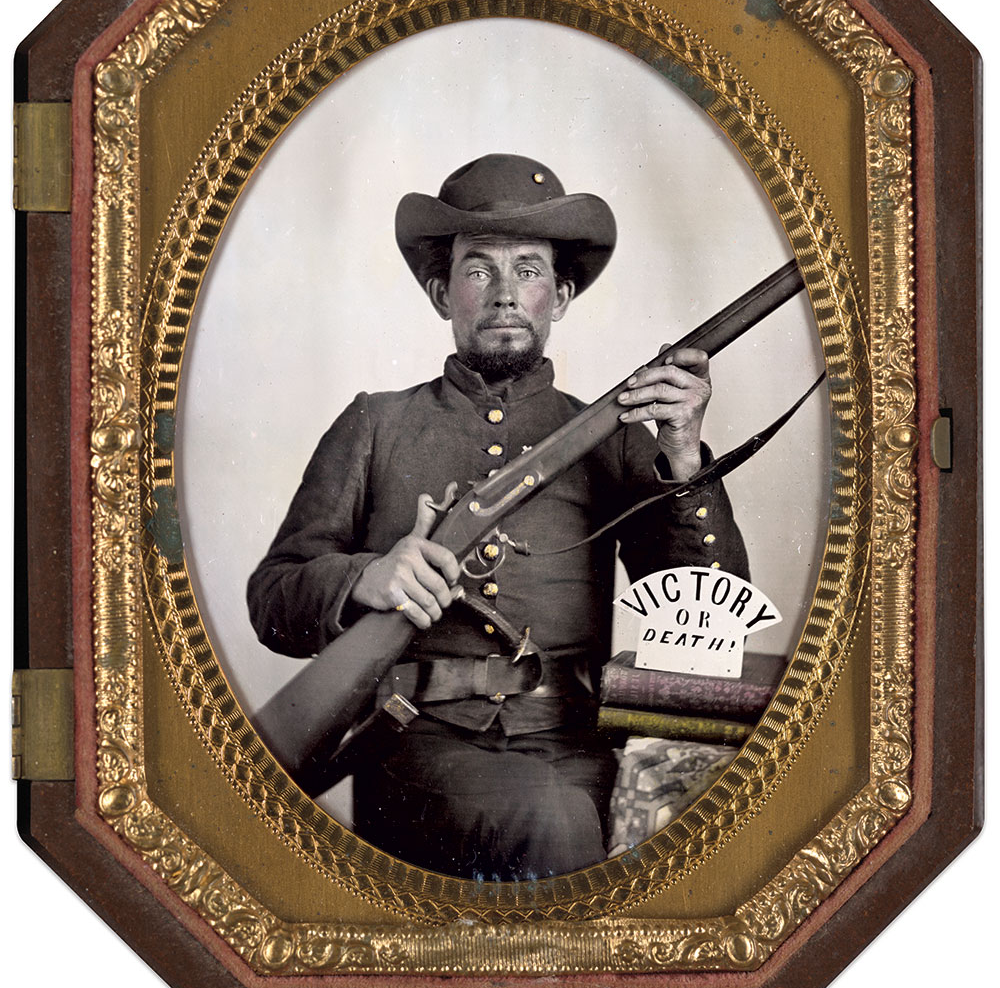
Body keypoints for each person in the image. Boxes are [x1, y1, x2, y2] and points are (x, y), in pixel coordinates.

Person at [247, 153, 748, 881]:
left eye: (530, 270)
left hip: (575, 744)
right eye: (479, 270)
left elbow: (715, 610)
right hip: (415, 747)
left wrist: (682, 453)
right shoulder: (375, 425)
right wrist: (368, 578)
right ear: (440, 292)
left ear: (563, 295)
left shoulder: (612, 438)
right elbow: (274, 599)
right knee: (551, 820)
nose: (506, 293)